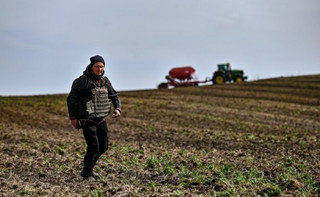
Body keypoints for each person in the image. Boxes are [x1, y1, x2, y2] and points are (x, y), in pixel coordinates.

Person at [67, 55, 121, 180]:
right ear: (91, 67)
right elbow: (71, 98)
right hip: (87, 119)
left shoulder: (105, 81)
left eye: (102, 67)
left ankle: (88, 168)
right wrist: (73, 118)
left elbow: (114, 95)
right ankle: (87, 173)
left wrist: (117, 108)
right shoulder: (83, 81)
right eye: (97, 66)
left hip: (101, 119)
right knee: (93, 146)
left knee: (104, 146)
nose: (100, 69)